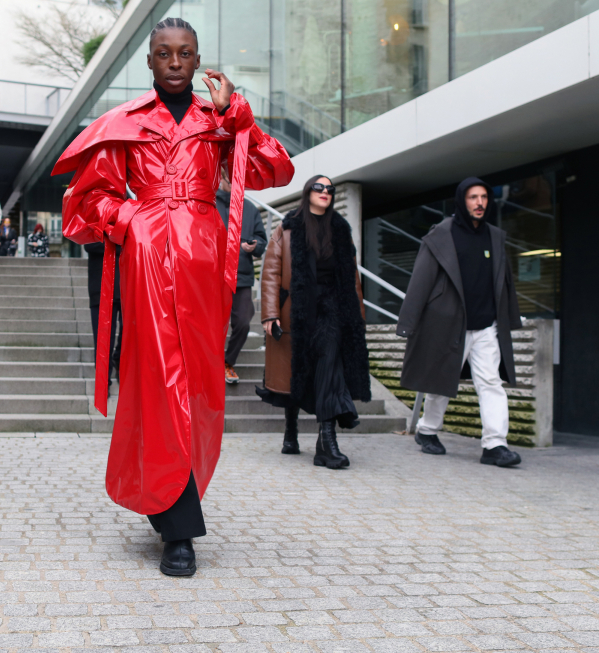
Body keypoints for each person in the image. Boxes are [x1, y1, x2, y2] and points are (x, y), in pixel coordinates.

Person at [53, 17, 293, 577]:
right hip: (146, 263)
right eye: (165, 53)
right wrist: (132, 215)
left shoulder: (221, 119)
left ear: (199, 58)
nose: (176, 62)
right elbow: (82, 206)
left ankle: (170, 501)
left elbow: (275, 167)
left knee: (203, 385)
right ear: (151, 61)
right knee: (159, 381)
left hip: (206, 262)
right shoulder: (126, 124)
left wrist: (240, 118)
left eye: (186, 53)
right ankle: (179, 526)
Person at [397, 177, 523, 467]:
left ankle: (495, 444)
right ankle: (427, 431)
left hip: (487, 325)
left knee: (491, 382)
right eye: (472, 197)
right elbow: (421, 279)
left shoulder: (494, 235)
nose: (479, 203)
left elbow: (505, 280)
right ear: (461, 201)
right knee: (441, 382)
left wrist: (509, 318)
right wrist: (408, 321)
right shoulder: (442, 234)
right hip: (449, 323)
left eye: (484, 197)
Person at [258, 176, 371, 469]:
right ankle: (291, 429)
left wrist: (358, 318)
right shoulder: (288, 226)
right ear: (308, 192)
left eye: (330, 189)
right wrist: (270, 313)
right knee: (299, 370)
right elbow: (270, 271)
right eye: (319, 187)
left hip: (332, 309)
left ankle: (327, 440)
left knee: (330, 361)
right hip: (297, 308)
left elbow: (352, 277)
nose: (325, 192)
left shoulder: (340, 229)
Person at [217, 167, 267, 384]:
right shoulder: (208, 204)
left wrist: (255, 246)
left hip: (242, 276)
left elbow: (261, 241)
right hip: (213, 277)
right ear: (221, 175)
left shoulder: (250, 208)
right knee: (213, 325)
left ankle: (227, 362)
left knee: (244, 322)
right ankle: (209, 363)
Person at [85, 242, 121, 391]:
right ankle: (103, 381)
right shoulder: (94, 220)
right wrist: (118, 241)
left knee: (129, 333)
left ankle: (118, 359)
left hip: (126, 283)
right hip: (100, 287)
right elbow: (88, 244)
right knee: (103, 339)